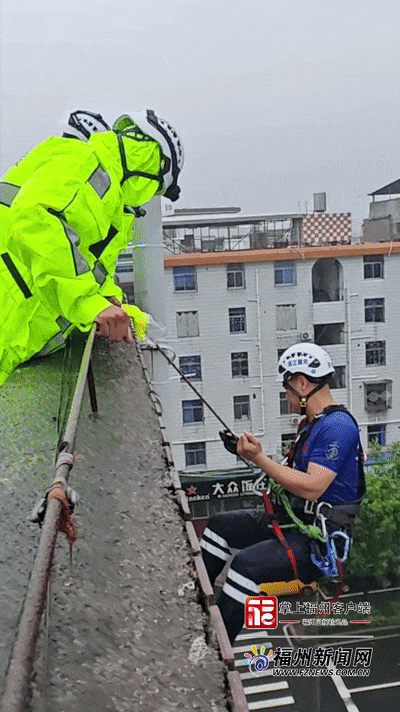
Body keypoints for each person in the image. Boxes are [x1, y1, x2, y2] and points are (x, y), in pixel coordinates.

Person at [0, 109, 184, 386]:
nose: (150, 195)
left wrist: (113, 304)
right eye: (157, 188)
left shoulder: (112, 202)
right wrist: (89, 304)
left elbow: (92, 271)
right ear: (155, 163)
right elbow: (34, 217)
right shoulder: (86, 161)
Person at [200, 343, 365, 643]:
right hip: (295, 522)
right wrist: (253, 456)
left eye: (287, 389)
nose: (287, 397)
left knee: (246, 567)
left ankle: (215, 645)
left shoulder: (338, 427)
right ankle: (195, 605)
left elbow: (313, 487)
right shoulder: (311, 426)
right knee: (221, 526)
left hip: (318, 541)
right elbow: (291, 477)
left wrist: (260, 459)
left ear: (302, 384)